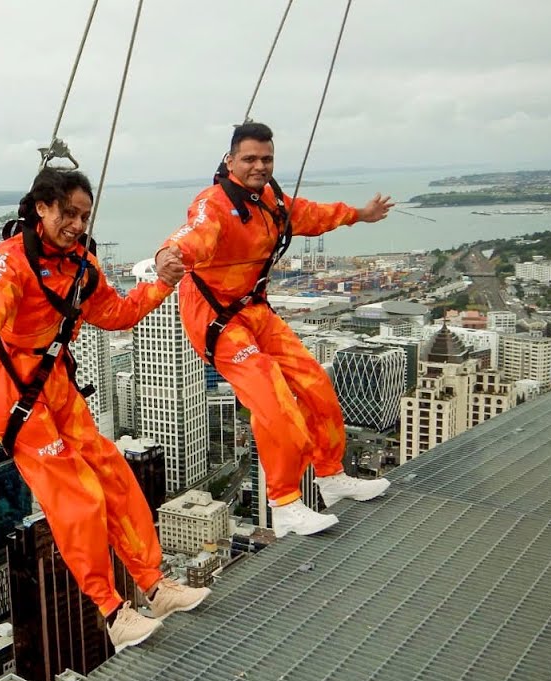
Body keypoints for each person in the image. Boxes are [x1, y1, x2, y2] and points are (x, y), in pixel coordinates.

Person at [0, 167, 208, 650]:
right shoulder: (9, 263)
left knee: (113, 475)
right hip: (12, 392)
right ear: (41, 208)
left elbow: (115, 314)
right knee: (77, 497)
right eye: (68, 213)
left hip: (55, 383)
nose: (77, 224)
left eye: (84, 215)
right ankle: (114, 612)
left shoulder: (80, 266)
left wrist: (160, 283)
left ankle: (155, 586)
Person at [155, 122, 393, 536]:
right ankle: (284, 503)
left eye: (266, 159)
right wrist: (168, 255)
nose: (259, 166)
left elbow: (315, 215)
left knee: (316, 383)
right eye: (249, 158)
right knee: (273, 400)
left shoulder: (272, 203)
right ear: (230, 161)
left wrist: (360, 215)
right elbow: (190, 235)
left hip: (255, 311)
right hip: (216, 320)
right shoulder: (214, 206)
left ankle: (331, 476)